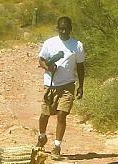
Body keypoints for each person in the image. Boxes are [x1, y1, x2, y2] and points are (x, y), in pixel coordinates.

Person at [36, 16, 85, 156]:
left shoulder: (77, 45)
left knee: (62, 115)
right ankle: (42, 137)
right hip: (50, 85)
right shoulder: (49, 43)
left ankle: (57, 146)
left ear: (70, 29)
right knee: (45, 114)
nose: (63, 31)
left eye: (66, 28)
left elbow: (80, 67)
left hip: (68, 85)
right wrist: (48, 68)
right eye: (61, 28)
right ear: (57, 28)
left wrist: (81, 86)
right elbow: (41, 60)